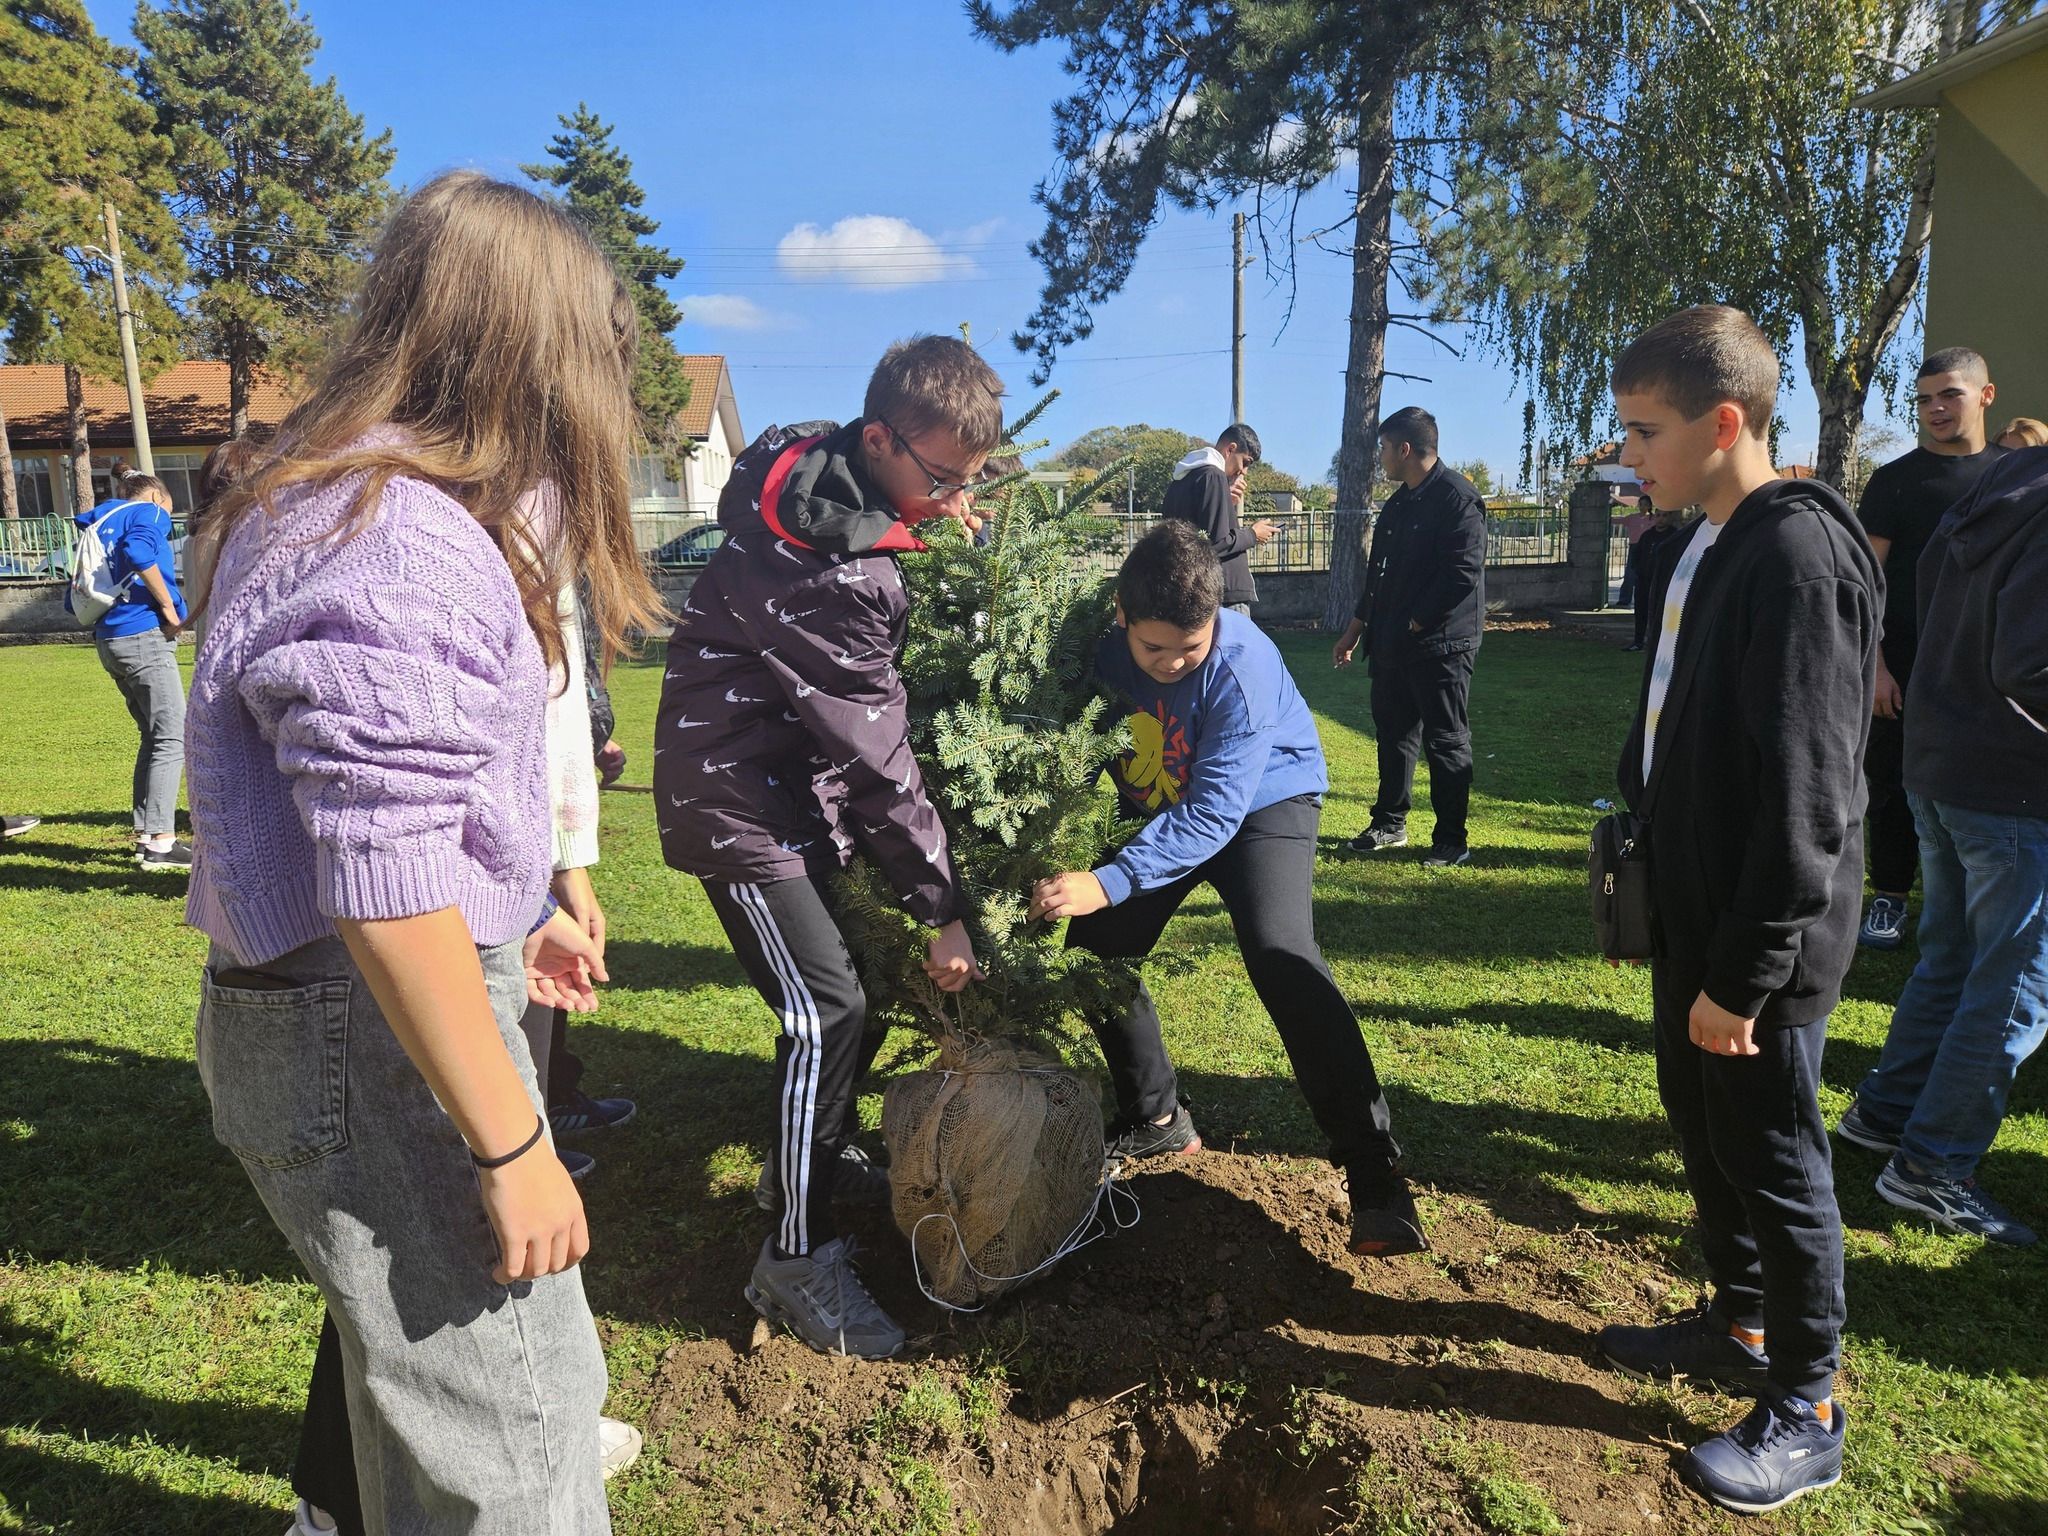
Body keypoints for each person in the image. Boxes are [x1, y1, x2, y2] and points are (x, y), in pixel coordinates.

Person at [185, 170, 661, 1534]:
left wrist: (519, 912)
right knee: (512, 1440)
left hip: (328, 1015)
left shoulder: (335, 499)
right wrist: (513, 1145)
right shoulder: (402, 538)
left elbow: (394, 814)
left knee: (433, 1405)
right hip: (369, 1035)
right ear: (540, 352)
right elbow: (387, 887)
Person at [653, 335, 995, 1361]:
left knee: (841, 996)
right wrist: (942, 903)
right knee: (823, 1007)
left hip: (785, 789)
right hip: (737, 803)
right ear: (881, 437)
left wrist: (925, 510)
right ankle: (792, 1259)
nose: (951, 500)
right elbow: (881, 756)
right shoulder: (829, 573)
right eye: (939, 479)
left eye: (970, 482)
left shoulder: (817, 462)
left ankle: (804, 1160)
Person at [1592, 304, 1877, 1515]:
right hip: (1692, 913)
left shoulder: (1796, 556)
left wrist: (1744, 974)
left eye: (1642, 432)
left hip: (1756, 939)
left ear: (1724, 421)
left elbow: (1809, 797)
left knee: (1771, 1150)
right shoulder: (1706, 538)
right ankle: (1740, 1323)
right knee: (1701, 1125)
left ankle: (1807, 1404)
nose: (1627, 458)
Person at [1032, 519, 1428, 1255]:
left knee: (1282, 952)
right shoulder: (1091, 647)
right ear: (1121, 614)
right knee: (1094, 953)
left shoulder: (1243, 667)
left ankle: (1377, 1177)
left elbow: (1215, 813)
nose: (1177, 663)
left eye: (1193, 646)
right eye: (1156, 649)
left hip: (1263, 801)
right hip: (1162, 803)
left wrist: (1113, 878)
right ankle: (1156, 1118)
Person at [1837, 445, 2048, 1247]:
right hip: (2013, 782)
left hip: (1944, 756)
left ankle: (1885, 1116)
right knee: (2017, 983)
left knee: (1953, 957)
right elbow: (2033, 661)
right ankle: (1933, 1166)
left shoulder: (2000, 485)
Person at [1853, 348, 2008, 951]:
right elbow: (1865, 586)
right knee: (1894, 784)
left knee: (1982, 793)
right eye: (1924, 399)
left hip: (1993, 672)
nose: (1935, 409)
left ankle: (1974, 905)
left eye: (1950, 395)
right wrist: (1877, 668)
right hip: (1909, 669)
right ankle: (1889, 896)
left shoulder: (2014, 476)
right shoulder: (1896, 481)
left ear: (1985, 396)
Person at [1331, 406, 1486, 866]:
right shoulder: (1398, 505)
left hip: (1442, 646)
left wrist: (1417, 621)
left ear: (1404, 449)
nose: (1380, 456)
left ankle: (1451, 840)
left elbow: (1462, 572)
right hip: (1392, 645)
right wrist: (1355, 630)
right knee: (1393, 735)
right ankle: (1389, 823)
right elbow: (1378, 578)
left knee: (1446, 739)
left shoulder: (1458, 499)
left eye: (1383, 447)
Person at [70, 470, 191, 871]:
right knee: (172, 736)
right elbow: (140, 554)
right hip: (142, 636)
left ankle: (147, 835)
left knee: (154, 736)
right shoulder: (149, 512)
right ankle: (160, 841)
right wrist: (171, 608)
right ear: (158, 496)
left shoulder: (103, 519)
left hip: (111, 638)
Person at [1163, 423, 1272, 615]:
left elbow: (1197, 531)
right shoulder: (1214, 475)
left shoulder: (1184, 477)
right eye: (1245, 462)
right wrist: (1253, 534)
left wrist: (1224, 499)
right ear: (1231, 449)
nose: (1244, 471)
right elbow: (1216, 544)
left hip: (1195, 589)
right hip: (1225, 594)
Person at [1627, 504, 1686, 651]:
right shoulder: (1647, 536)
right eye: (1658, 515)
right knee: (1641, 610)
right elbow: (1636, 555)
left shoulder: (1675, 537)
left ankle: (1658, 643)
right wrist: (1638, 570)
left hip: (1664, 582)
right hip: (1644, 580)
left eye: (1664, 516)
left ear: (1670, 517)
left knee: (1661, 613)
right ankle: (1638, 641)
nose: (1661, 519)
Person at [1616, 492, 1656, 614]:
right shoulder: (1632, 518)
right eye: (1641, 504)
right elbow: (1618, 520)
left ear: (1649, 506)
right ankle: (1624, 599)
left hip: (1648, 548)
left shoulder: (1654, 519)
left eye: (1645, 504)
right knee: (1630, 573)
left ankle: (1649, 600)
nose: (1642, 507)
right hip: (1634, 547)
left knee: (1648, 574)